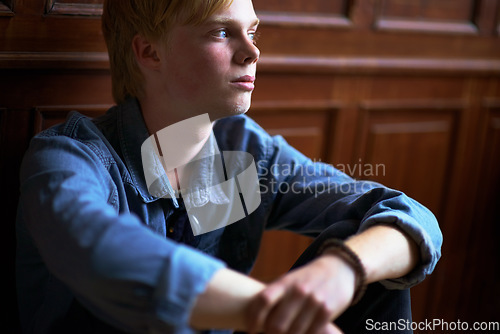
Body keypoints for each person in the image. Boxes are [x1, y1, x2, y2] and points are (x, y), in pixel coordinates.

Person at [15, 0, 442, 333]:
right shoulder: (69, 157)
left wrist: (343, 269)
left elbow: (407, 215)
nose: (253, 51)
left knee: (363, 247)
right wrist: (271, 312)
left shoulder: (246, 151)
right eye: (222, 32)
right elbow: (99, 251)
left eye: (253, 31)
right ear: (149, 51)